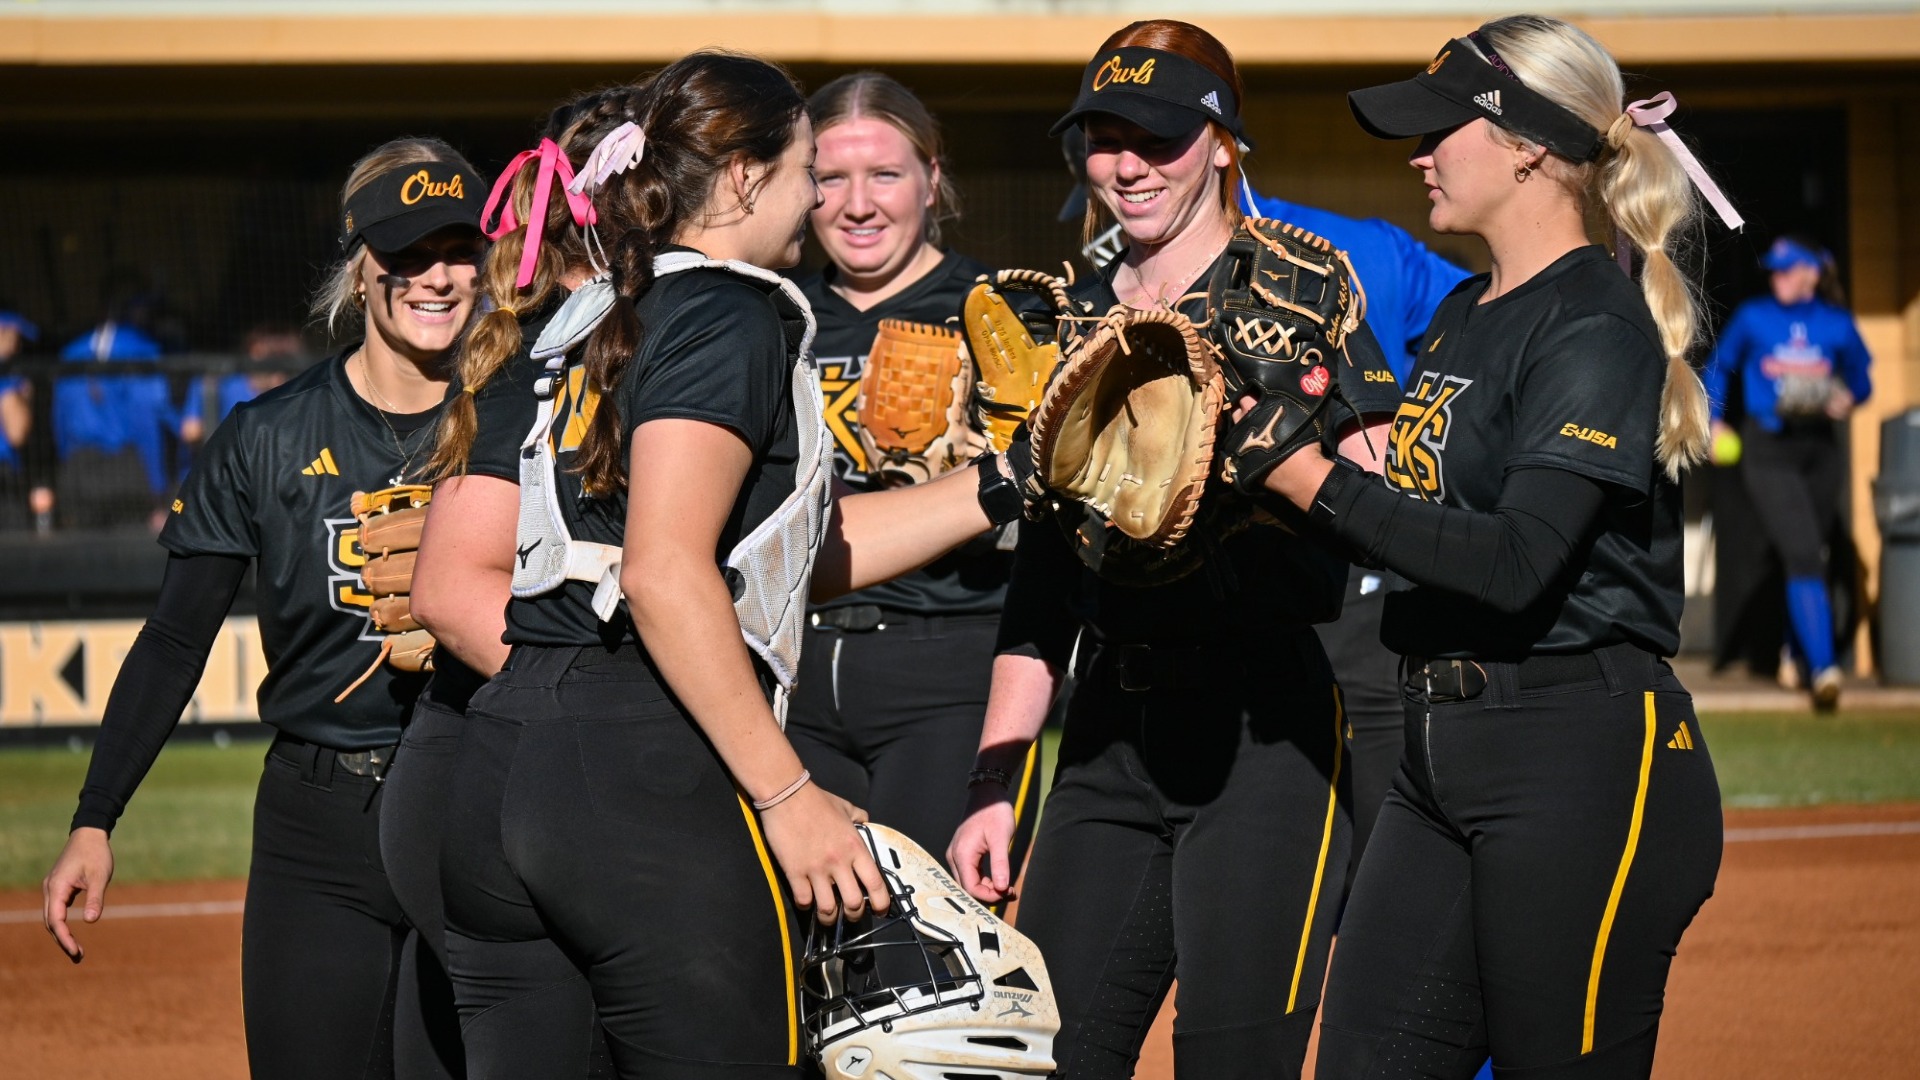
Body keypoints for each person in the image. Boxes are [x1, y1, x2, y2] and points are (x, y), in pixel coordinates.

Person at [437, 50, 1039, 1079]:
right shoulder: (729, 307)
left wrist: (1006, 481)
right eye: (808, 170)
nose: (818, 199)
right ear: (748, 176)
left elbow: (784, 556)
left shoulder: (601, 306)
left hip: (505, 763)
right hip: (638, 763)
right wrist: (788, 794)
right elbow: (665, 572)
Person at [1254, 16, 1731, 1075]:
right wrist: (1284, 426)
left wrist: (1308, 480)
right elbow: (1416, 503)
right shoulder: (1467, 312)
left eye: (1441, 129)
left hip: (1575, 756)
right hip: (1438, 753)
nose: (1418, 155)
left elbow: (1517, 564)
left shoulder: (1594, 325)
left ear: (1526, 146)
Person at [947, 21, 1404, 1078]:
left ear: (1223, 142)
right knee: (1046, 1054)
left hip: (1266, 727)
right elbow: (1044, 577)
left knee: (1232, 1059)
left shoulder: (1302, 284)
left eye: (1157, 136)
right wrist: (994, 777)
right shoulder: (1070, 317)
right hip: (1106, 732)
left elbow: (1381, 493)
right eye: (1103, 137)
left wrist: (1261, 441)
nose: (1127, 165)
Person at [41, 138, 488, 1080]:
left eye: (458, 250)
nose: (438, 277)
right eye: (408, 252)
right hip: (317, 827)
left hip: (475, 807)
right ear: (360, 265)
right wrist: (95, 816)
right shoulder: (267, 436)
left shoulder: (520, 422)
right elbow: (174, 641)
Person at [388, 87, 647, 1080]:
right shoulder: (550, 349)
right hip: (491, 776)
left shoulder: (612, 336)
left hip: (507, 775)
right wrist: (629, 708)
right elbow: (453, 593)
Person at [786, 71, 1041, 886]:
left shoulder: (998, 316)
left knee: (926, 929)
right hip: (790, 669)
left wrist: (976, 484)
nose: (858, 205)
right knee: (792, 934)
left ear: (933, 178)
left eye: (886, 175)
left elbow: (1062, 518)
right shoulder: (773, 315)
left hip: (949, 666)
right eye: (830, 178)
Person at [1702, 235, 1872, 710]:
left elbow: (1862, 378)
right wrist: (1714, 421)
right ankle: (1824, 670)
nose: (1776, 277)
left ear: (1810, 274)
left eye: (1786, 269)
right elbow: (1718, 366)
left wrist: (1849, 398)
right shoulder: (1754, 317)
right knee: (1802, 554)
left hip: (1819, 449)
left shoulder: (1836, 323)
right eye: (1773, 270)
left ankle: (1795, 654)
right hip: (1768, 447)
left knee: (1809, 555)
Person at [49, 317, 182, 530]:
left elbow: (60, 424)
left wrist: (67, 466)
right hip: (128, 471)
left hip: (78, 470)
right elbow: (146, 423)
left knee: (80, 546)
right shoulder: (142, 351)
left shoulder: (70, 353)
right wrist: (158, 488)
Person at [0, 310, 38, 530]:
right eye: (13, 337)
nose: (17, 346)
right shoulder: (7, 377)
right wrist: (24, 399)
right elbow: (17, 433)